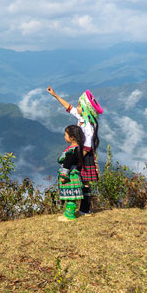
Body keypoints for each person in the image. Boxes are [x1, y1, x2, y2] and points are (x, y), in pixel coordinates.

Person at [47, 86, 103, 215]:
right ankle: (83, 208)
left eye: (79, 105)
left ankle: (84, 209)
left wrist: (77, 158)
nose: (76, 107)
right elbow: (69, 107)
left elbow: (88, 146)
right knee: (82, 180)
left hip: (84, 154)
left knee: (85, 182)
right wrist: (55, 95)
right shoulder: (82, 119)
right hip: (80, 152)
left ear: (85, 109)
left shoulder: (89, 125)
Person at [57, 124, 85, 221]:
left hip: (70, 176)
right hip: (75, 174)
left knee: (70, 196)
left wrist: (63, 176)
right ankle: (68, 214)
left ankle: (69, 216)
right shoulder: (79, 149)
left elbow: (67, 164)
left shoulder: (71, 151)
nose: (64, 137)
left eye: (65, 135)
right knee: (71, 196)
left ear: (72, 137)